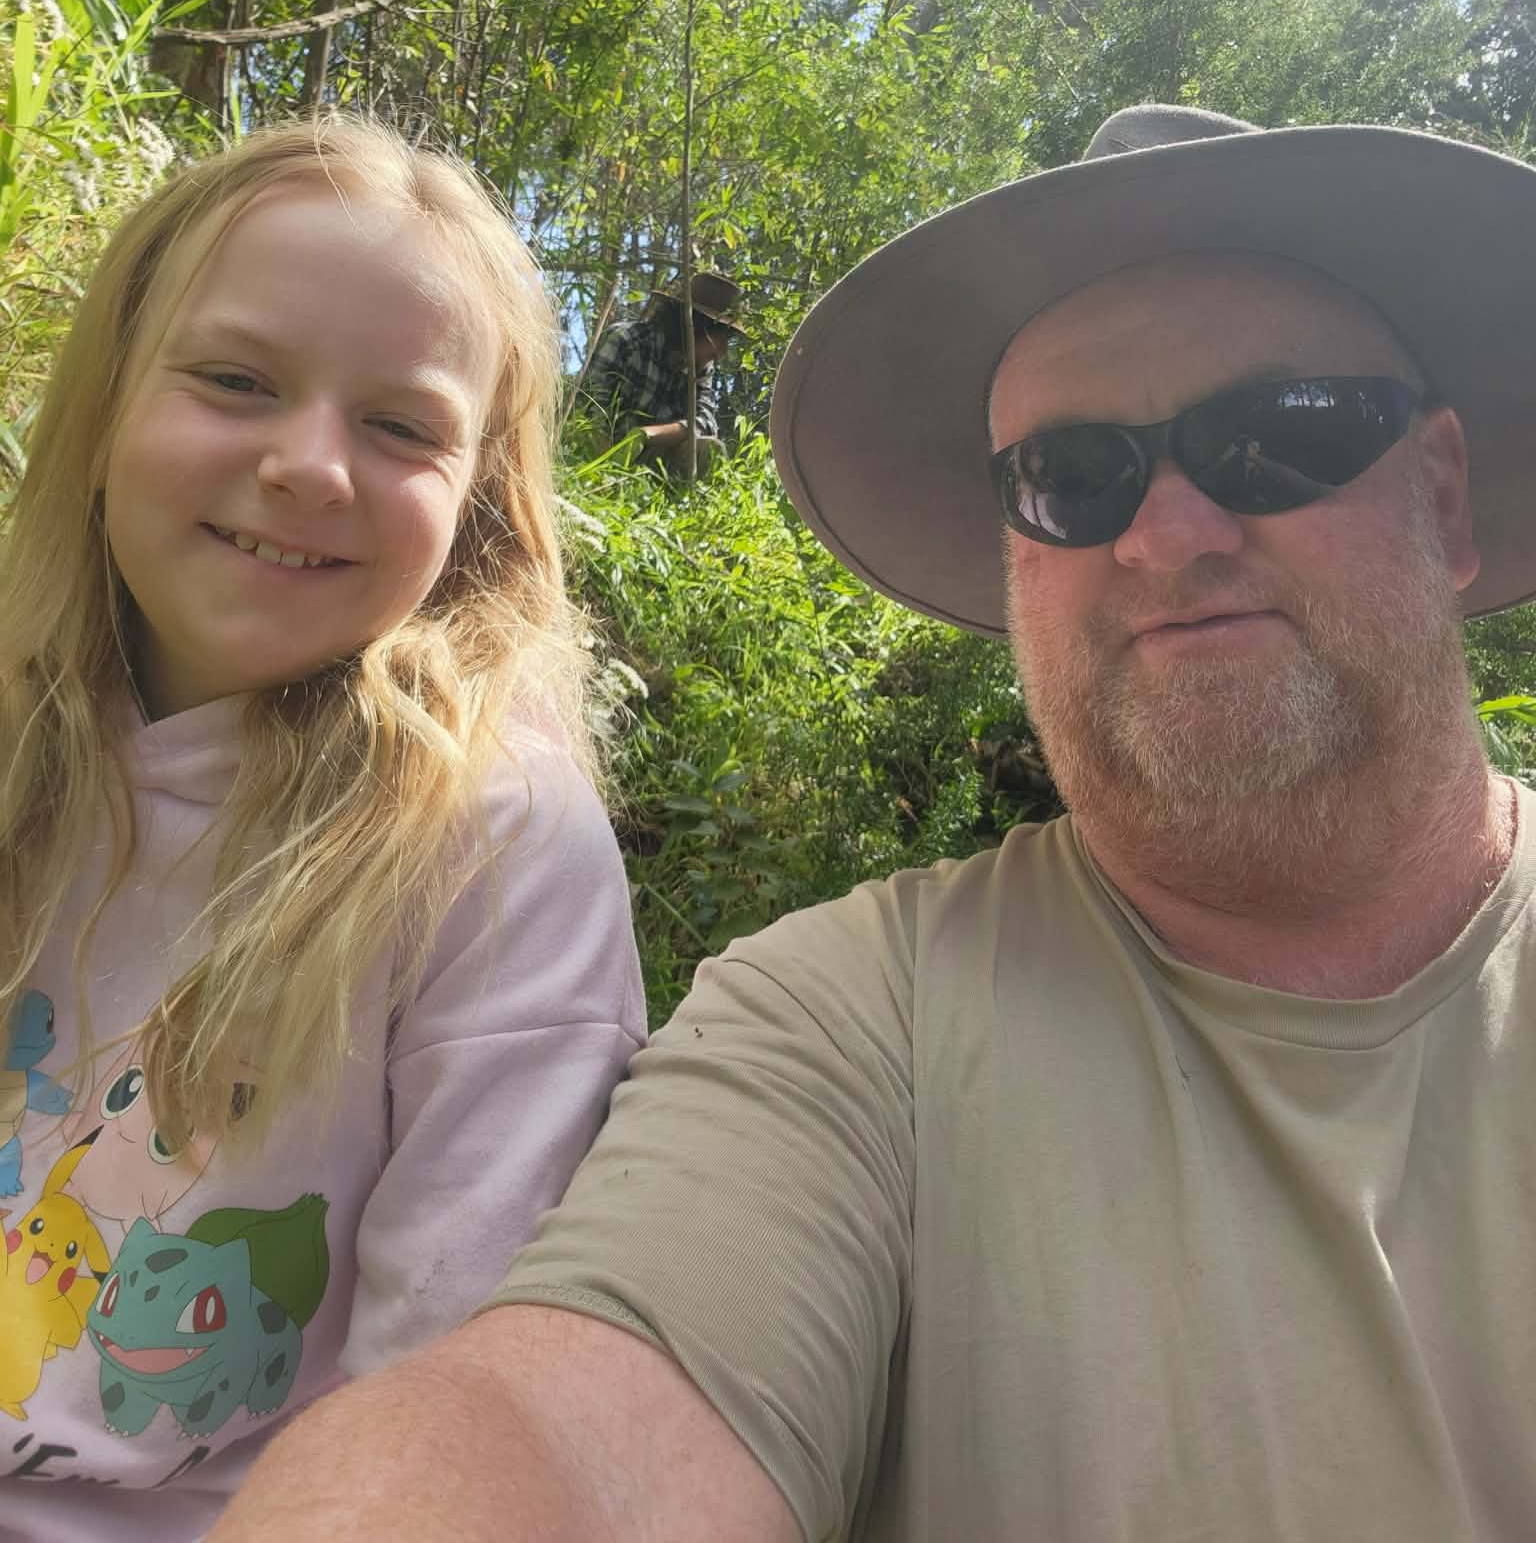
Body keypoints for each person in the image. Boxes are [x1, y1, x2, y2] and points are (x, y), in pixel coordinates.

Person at [211, 105, 1536, 1542]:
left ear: (1446, 494)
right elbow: (563, 1428)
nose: (1166, 534)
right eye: (1071, 476)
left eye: (1275, 436)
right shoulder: (853, 1025)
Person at [0, 115, 645, 1538]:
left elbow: (451, 1395)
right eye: (237, 380)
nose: (309, 465)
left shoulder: (492, 843)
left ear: (478, 506)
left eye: (401, 427)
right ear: (101, 414)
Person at [582, 271, 747, 468]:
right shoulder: (626, 341)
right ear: (694, 326)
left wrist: (646, 435)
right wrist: (603, 469)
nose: (723, 351)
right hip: (606, 452)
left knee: (710, 449)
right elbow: (592, 412)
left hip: (660, 459)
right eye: (720, 338)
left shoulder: (701, 368)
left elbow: (705, 422)